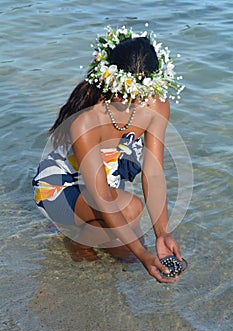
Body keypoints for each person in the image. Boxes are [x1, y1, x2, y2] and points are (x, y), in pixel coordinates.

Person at [32, 25, 185, 283]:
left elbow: (154, 171)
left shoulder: (156, 104)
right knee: (132, 213)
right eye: (125, 92)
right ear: (109, 80)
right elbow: (100, 196)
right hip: (61, 187)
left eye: (142, 93)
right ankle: (76, 240)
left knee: (128, 253)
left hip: (106, 184)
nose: (134, 101)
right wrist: (143, 253)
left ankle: (81, 231)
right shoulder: (87, 120)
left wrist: (163, 233)